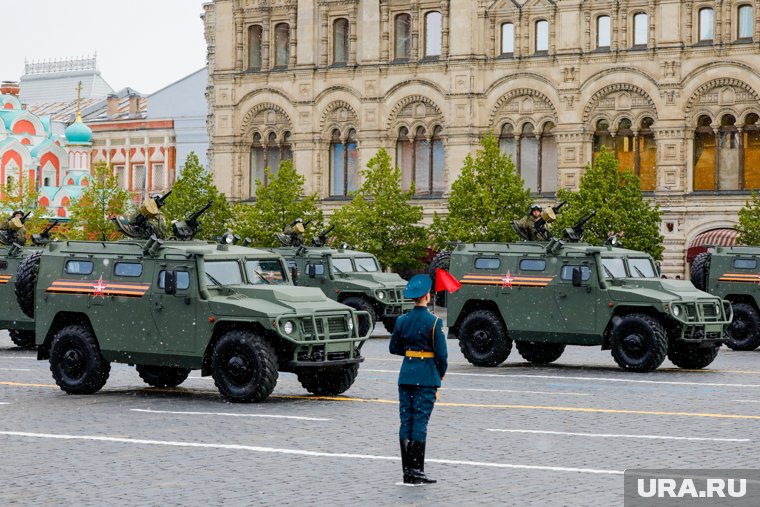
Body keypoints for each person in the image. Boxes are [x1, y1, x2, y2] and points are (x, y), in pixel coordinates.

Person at [389, 274, 447, 486]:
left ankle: (407, 471)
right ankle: (417, 471)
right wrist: (439, 372)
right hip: (426, 376)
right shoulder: (434, 322)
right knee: (420, 422)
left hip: (406, 375)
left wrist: (411, 352)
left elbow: (393, 347)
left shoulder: (402, 320)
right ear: (427, 296)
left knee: (406, 420)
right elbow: (442, 356)